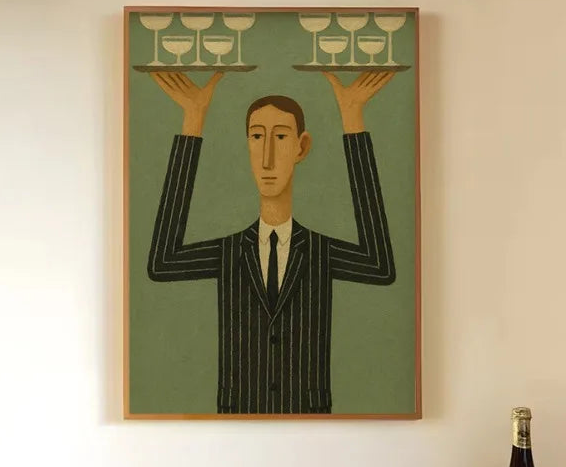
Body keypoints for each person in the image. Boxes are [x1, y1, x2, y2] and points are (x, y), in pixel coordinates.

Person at [147, 70, 396, 414]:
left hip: (312, 429)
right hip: (236, 426)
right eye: (255, 136)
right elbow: (162, 262)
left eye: (280, 137)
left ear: (301, 147)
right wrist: (193, 120)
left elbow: (380, 265)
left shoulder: (320, 252)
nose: (266, 158)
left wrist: (352, 118)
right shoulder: (230, 253)